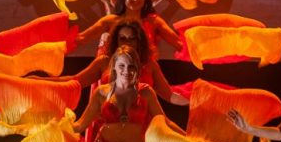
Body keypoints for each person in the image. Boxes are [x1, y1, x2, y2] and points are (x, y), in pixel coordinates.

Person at [50, 20, 187, 105]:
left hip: (141, 137)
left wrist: (196, 102)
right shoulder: (104, 62)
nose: (127, 43)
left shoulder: (150, 65)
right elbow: (75, 82)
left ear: (139, 41)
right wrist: (41, 83)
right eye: (123, 39)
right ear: (116, 41)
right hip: (106, 134)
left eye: (132, 39)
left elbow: (170, 97)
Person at [78, 0, 181, 53]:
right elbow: (81, 39)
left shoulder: (154, 22)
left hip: (146, 75)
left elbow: (179, 44)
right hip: (114, 75)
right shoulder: (109, 21)